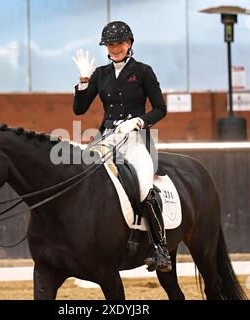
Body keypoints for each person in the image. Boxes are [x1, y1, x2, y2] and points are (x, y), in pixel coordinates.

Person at [72, 21, 171, 272]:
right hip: (106, 138)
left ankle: (160, 248)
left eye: (120, 43)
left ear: (130, 44)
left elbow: (160, 109)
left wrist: (139, 121)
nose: (115, 48)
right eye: (110, 44)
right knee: (81, 179)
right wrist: (84, 80)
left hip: (134, 139)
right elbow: (79, 109)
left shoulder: (144, 71)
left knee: (144, 186)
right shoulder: (101, 74)